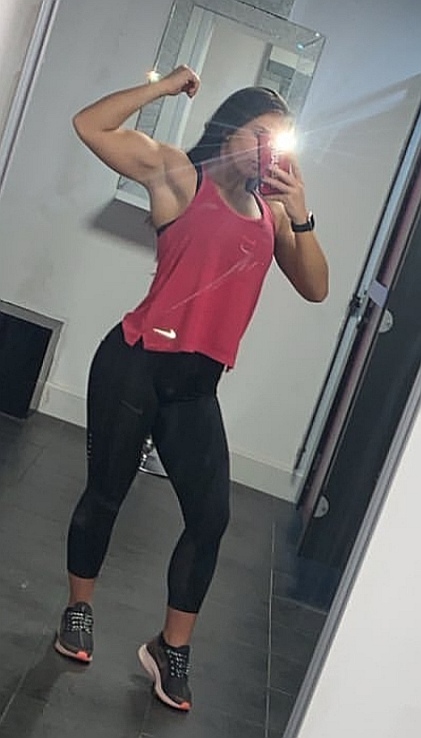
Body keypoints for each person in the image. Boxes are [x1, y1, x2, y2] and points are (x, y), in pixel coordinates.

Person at [54, 64, 329, 711]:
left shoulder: (272, 216)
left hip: (195, 389)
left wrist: (301, 214)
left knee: (210, 520)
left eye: (277, 141)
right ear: (230, 131)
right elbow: (89, 125)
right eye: (259, 135)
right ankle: (78, 610)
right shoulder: (178, 175)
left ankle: (169, 648)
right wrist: (162, 87)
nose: (266, 151)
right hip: (134, 363)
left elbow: (316, 288)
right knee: (106, 494)